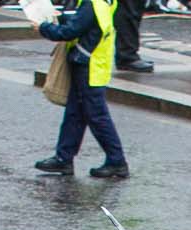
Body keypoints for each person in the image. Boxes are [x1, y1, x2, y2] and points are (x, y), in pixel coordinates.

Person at [35, 0, 129, 180]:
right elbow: (82, 23)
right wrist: (61, 18)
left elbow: (70, 32)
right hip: (90, 64)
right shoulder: (104, 2)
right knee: (75, 114)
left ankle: (117, 162)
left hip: (89, 66)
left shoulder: (92, 3)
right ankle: (64, 158)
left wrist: (43, 27)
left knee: (97, 117)